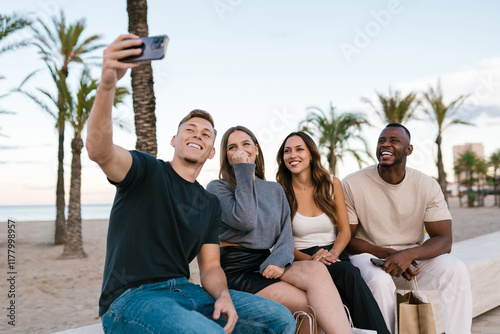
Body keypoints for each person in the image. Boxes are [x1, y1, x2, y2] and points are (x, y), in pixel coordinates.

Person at [86, 34, 296, 334]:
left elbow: (210, 266)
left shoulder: (210, 203)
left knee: (280, 319)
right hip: (131, 298)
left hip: (186, 291)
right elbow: (99, 150)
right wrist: (107, 83)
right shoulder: (145, 170)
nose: (198, 135)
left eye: (206, 134)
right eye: (190, 129)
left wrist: (223, 295)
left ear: (212, 152)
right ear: (175, 139)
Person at [206, 126, 352, 334]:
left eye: (246, 144)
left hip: (265, 261)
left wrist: (279, 261)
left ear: (256, 149)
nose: (240, 150)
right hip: (236, 269)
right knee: (307, 305)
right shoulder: (218, 187)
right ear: (226, 155)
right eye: (232, 147)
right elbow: (245, 220)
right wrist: (244, 172)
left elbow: (285, 234)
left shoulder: (274, 189)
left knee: (317, 269)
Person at [342, 123, 472, 334]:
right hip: (369, 257)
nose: (386, 144)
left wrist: (409, 254)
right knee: (380, 282)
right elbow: (347, 238)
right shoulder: (352, 184)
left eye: (394, 141)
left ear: (409, 149)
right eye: (381, 141)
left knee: (456, 270)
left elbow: (444, 240)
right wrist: (387, 253)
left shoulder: (426, 185)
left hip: (412, 260)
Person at [276, 131, 389, 333]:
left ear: (311, 155)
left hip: (334, 252)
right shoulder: (280, 191)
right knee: (348, 274)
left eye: (299, 149)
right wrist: (312, 260)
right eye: (287, 151)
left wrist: (333, 254)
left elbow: (345, 231)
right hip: (301, 257)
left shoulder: (331, 183)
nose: (292, 155)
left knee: (348, 275)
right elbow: (283, 242)